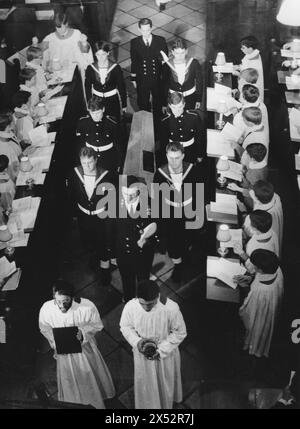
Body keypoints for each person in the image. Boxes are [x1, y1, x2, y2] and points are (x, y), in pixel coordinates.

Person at [39, 279, 115, 409]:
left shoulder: (86, 306)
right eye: (58, 302)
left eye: (66, 301)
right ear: (53, 298)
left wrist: (83, 333)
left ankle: (95, 400)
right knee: (69, 378)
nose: (62, 306)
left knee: (89, 374)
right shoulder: (46, 309)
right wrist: (54, 341)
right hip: (64, 353)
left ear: (72, 297)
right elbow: (44, 328)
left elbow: (97, 325)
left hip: (84, 350)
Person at [120, 279, 187, 409]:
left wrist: (161, 350)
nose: (146, 308)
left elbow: (180, 332)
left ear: (158, 296)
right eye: (142, 304)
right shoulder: (130, 306)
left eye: (150, 304)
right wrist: (137, 341)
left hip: (165, 353)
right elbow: (125, 326)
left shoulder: (171, 308)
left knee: (165, 380)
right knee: (146, 381)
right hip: (142, 352)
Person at [153, 141, 203, 282]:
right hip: (170, 214)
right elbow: (157, 200)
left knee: (190, 238)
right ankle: (178, 266)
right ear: (166, 156)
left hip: (189, 212)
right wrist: (159, 223)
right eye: (170, 158)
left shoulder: (192, 170)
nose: (174, 162)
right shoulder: (161, 174)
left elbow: (200, 194)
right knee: (173, 243)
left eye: (177, 158)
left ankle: (187, 256)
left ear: (183, 156)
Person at [68, 146, 116, 285]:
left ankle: (105, 269)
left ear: (96, 160)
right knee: (88, 240)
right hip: (83, 216)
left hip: (101, 216)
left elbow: (112, 198)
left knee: (103, 242)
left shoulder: (106, 175)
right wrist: (74, 214)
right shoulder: (75, 173)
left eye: (90, 162)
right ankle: (96, 257)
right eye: (84, 163)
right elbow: (71, 194)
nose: (87, 166)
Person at [111, 175, 158, 303]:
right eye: (125, 193)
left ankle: (143, 300)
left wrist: (146, 240)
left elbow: (156, 227)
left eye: (132, 194)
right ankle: (129, 298)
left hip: (143, 253)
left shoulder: (150, 204)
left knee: (143, 278)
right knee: (126, 278)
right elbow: (110, 229)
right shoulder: (114, 202)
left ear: (138, 191)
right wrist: (111, 253)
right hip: (123, 251)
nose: (128, 197)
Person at [234, 249, 283, 358]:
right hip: (270, 305)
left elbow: (248, 311)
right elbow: (260, 277)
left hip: (260, 313)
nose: (253, 267)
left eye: (254, 266)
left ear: (260, 269)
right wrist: (249, 278)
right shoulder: (277, 270)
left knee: (255, 327)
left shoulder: (260, 291)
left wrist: (245, 287)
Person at [130, 18, 168, 132]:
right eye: (143, 30)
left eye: (148, 30)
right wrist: (133, 78)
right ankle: (146, 127)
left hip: (157, 78)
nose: (146, 33)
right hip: (142, 78)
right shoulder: (135, 42)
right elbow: (134, 61)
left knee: (158, 103)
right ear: (139, 29)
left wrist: (165, 77)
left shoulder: (160, 41)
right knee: (143, 103)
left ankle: (157, 126)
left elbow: (165, 61)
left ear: (151, 28)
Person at [159, 91, 204, 166]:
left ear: (184, 104)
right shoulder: (165, 121)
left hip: (190, 150)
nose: (177, 111)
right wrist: (165, 158)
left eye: (180, 107)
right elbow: (163, 142)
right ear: (169, 106)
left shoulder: (194, 117)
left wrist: (200, 154)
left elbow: (200, 137)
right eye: (174, 107)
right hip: (173, 153)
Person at [85, 41, 127, 122]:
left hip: (112, 100)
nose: (100, 58)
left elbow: (121, 87)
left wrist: (124, 104)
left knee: (113, 121)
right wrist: (89, 103)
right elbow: (87, 87)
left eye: (103, 54)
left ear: (108, 53)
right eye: (98, 55)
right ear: (95, 55)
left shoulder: (115, 68)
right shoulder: (90, 68)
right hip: (97, 100)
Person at [76, 95, 121, 171]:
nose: (95, 116)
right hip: (90, 159)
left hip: (108, 158)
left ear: (103, 109)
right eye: (92, 113)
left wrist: (120, 163)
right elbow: (80, 144)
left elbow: (119, 145)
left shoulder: (112, 123)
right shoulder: (83, 122)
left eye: (98, 113)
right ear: (89, 111)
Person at [161, 38, 203, 110]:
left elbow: (199, 82)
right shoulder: (167, 66)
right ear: (172, 52)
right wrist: (163, 103)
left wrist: (198, 99)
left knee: (189, 117)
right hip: (174, 98)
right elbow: (164, 85)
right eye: (177, 53)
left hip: (190, 97)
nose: (180, 56)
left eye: (182, 53)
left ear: (186, 51)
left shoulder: (194, 63)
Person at [248, 180, 283, 255]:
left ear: (257, 199)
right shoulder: (274, 196)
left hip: (264, 238)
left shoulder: (262, 214)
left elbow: (253, 231)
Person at [234, 36, 264, 101]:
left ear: (250, 48)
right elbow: (246, 65)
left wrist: (238, 74)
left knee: (245, 99)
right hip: (247, 81)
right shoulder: (252, 54)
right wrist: (239, 67)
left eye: (243, 48)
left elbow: (249, 79)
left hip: (250, 89)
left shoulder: (254, 62)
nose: (241, 49)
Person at [0, 112, 22, 180]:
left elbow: (15, 144)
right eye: (13, 122)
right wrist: (24, 154)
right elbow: (14, 171)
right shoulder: (6, 148)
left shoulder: (7, 133)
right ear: (9, 125)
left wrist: (22, 142)